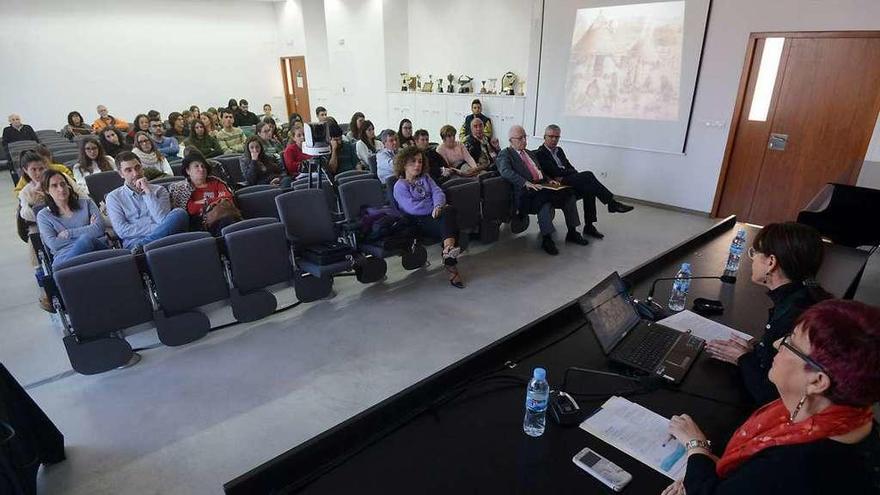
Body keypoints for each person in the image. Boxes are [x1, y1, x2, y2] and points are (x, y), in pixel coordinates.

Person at [662, 299, 880, 495]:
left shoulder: (791, 466)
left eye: (790, 344)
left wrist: (696, 445)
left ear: (817, 381)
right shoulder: (856, 420)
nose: (777, 344)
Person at [704, 223, 834, 405]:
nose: (751, 259)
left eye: (754, 253)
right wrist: (758, 350)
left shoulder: (794, 315)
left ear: (771, 262)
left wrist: (743, 359)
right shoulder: (804, 296)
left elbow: (771, 394)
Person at [497, 125, 588, 255]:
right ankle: (547, 239)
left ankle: (572, 232)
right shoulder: (505, 154)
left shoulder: (529, 153)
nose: (524, 140)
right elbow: (505, 171)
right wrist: (525, 182)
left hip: (542, 186)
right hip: (526, 192)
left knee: (569, 195)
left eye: (525, 137)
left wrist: (548, 179)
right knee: (544, 202)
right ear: (511, 140)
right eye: (520, 138)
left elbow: (539, 170)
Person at [534, 124, 633, 239]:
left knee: (589, 188)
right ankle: (612, 203)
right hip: (556, 185)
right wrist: (563, 173)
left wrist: (564, 173)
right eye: (551, 136)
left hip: (565, 180)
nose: (554, 139)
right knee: (588, 175)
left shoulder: (559, 150)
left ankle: (589, 226)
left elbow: (571, 168)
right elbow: (554, 171)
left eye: (557, 137)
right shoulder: (540, 153)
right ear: (544, 137)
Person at [392, 146, 464, 289]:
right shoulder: (400, 186)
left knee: (449, 211)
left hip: (435, 216)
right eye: (413, 162)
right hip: (418, 222)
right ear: (404, 164)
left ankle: (448, 251)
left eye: (420, 161)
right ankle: (450, 258)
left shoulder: (426, 177)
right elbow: (412, 207)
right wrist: (434, 206)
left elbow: (439, 193)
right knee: (449, 214)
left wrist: (438, 206)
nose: (418, 165)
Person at [105, 151, 188, 251]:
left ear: (142, 167)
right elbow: (122, 231)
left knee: (179, 213)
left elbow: (161, 219)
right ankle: (144, 246)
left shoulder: (160, 190)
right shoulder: (113, 197)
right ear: (121, 174)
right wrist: (160, 228)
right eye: (128, 170)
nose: (135, 173)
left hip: (152, 243)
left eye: (137, 167)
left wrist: (147, 192)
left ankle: (143, 245)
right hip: (134, 242)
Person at [36, 169, 108, 267]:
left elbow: (99, 229)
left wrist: (69, 233)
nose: (61, 189)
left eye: (63, 184)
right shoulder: (43, 215)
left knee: (86, 239)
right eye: (54, 186)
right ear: (46, 191)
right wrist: (89, 230)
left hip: (96, 252)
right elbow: (53, 244)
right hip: (65, 257)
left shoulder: (86, 203)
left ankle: (65, 268)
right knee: (85, 239)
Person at [169, 152, 234, 230]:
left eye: (203, 166)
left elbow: (227, 199)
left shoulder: (217, 182)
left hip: (225, 215)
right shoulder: (181, 188)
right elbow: (192, 209)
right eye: (196, 166)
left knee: (226, 218)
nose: (201, 169)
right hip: (200, 223)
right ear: (188, 171)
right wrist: (216, 201)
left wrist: (202, 202)